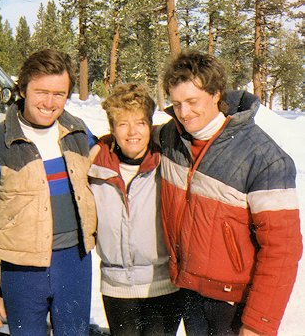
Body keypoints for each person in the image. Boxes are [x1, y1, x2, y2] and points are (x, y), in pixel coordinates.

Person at [157, 50, 303, 336]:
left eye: (192, 101)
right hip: (189, 291)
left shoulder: (264, 158)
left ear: (216, 94)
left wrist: (258, 324)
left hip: (233, 303)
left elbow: (282, 249)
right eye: (176, 104)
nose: (184, 113)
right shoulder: (171, 138)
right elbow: (132, 141)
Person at [0, 49, 97, 336]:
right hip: (23, 272)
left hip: (74, 264)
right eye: (41, 92)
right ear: (23, 88)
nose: (50, 103)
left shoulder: (78, 133)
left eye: (59, 94)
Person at [89, 83, 183, 336]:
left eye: (140, 123)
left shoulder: (168, 163)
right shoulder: (96, 167)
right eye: (123, 124)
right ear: (112, 129)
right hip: (116, 288)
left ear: (150, 126)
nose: (132, 132)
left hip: (163, 286)